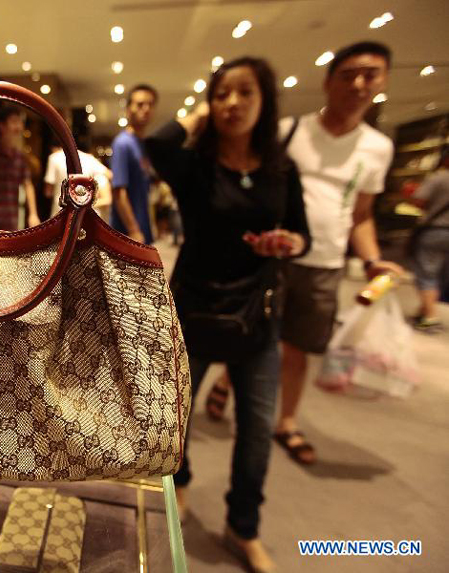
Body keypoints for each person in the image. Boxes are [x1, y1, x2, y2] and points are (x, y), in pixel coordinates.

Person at [145, 57, 311, 573]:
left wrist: (289, 242)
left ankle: (243, 527)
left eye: (245, 93)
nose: (233, 103)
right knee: (178, 416)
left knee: (258, 428)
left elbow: (304, 233)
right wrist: (196, 115)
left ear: (265, 102)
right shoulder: (196, 166)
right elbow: (156, 146)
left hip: (257, 312)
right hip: (194, 308)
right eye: (223, 94)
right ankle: (183, 481)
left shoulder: (282, 170)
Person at [204, 42, 404, 465]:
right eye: (349, 73)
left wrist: (370, 260)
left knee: (298, 348)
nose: (359, 83)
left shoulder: (377, 148)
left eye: (371, 74)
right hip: (270, 260)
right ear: (329, 80)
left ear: (384, 80)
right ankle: (230, 378)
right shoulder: (290, 132)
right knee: (257, 337)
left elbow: (362, 214)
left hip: (326, 259)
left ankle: (287, 422)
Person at [111, 84, 157, 244]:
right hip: (127, 233)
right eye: (140, 104)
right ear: (129, 108)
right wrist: (134, 230)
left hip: (142, 226)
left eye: (150, 105)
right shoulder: (123, 143)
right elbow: (119, 191)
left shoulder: (142, 144)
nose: (146, 109)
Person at [410, 150, 449, 331]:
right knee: (440, 273)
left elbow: (418, 199)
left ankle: (429, 316)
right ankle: (424, 308)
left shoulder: (439, 177)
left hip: (435, 231)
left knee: (427, 272)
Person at [43, 144, 112, 220]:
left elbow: (48, 192)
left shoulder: (54, 158)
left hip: (61, 210)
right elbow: (109, 174)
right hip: (84, 213)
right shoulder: (89, 158)